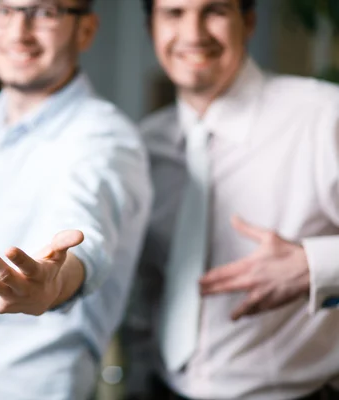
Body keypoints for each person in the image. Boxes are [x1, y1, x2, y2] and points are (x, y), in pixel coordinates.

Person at [0, 0, 153, 399]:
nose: (18, 31)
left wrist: (52, 285)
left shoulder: (103, 137)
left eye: (44, 12)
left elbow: (86, 235)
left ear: (85, 29)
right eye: (0, 9)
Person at [121, 0, 339, 399]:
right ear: (151, 27)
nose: (193, 34)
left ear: (249, 21)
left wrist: (316, 264)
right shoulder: (143, 146)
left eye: (215, 11)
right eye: (174, 13)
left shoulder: (323, 116)